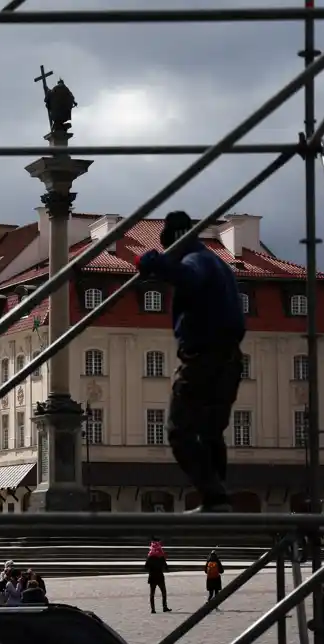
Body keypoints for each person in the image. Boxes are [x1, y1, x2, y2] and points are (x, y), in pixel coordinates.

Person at [135, 211, 245, 513]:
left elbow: (189, 278)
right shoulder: (219, 263)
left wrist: (156, 264)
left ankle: (213, 495)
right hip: (230, 359)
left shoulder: (194, 261)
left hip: (202, 359)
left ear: (173, 242)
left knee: (178, 430)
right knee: (210, 432)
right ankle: (218, 499)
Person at [145, 539, 172, 613]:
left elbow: (146, 566)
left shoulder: (150, 557)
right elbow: (166, 567)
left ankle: (153, 609)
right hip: (160, 576)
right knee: (163, 592)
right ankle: (164, 607)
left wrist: (151, 568)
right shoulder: (161, 556)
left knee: (152, 594)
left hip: (152, 577)